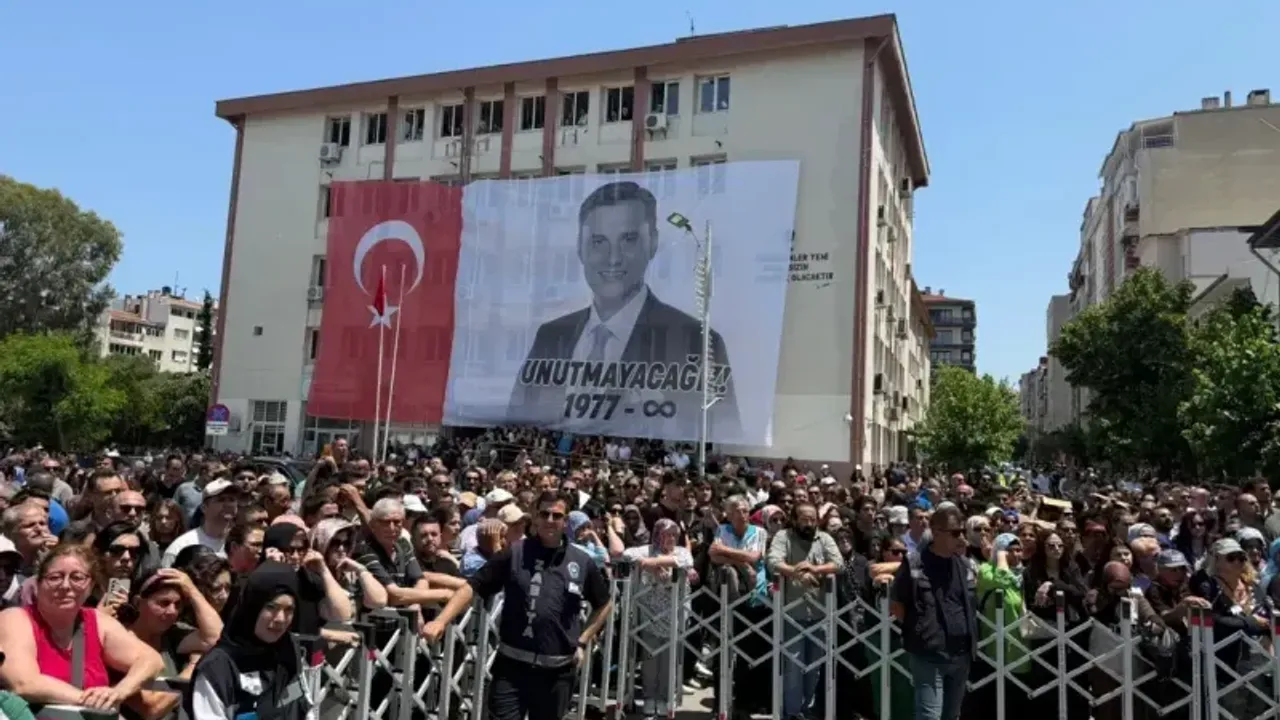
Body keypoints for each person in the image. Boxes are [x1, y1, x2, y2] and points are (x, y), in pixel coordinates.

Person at [506, 180, 740, 440]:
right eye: (598, 242)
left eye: (629, 240)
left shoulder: (696, 341)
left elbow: (725, 431)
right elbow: (516, 415)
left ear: (652, 243)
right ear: (580, 248)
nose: (613, 258)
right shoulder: (551, 336)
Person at [422, 491, 612, 720]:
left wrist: (583, 640)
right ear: (536, 517)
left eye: (557, 515)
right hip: (512, 668)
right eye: (544, 514)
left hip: (557, 672)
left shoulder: (581, 561)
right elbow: (472, 586)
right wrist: (441, 621)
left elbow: (604, 603)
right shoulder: (514, 553)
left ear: (566, 520)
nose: (550, 520)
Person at [0, 544, 165, 713]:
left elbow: (151, 660)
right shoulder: (15, 619)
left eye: (77, 578)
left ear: (91, 586)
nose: (65, 585)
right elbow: (23, 683)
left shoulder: (98, 621)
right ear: (38, 583)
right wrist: (92, 700)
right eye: (55, 577)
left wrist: (119, 692)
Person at [186, 562, 310, 720]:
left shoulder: (289, 650)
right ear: (253, 606)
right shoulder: (218, 668)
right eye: (271, 607)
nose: (280, 618)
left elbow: (303, 707)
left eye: (289, 610)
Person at [890, 505, 976, 720]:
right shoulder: (914, 563)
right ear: (936, 532)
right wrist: (920, 628)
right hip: (929, 654)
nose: (961, 538)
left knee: (951, 715)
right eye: (955, 532)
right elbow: (897, 604)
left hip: (961, 655)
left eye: (963, 532)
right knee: (929, 716)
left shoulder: (964, 565)